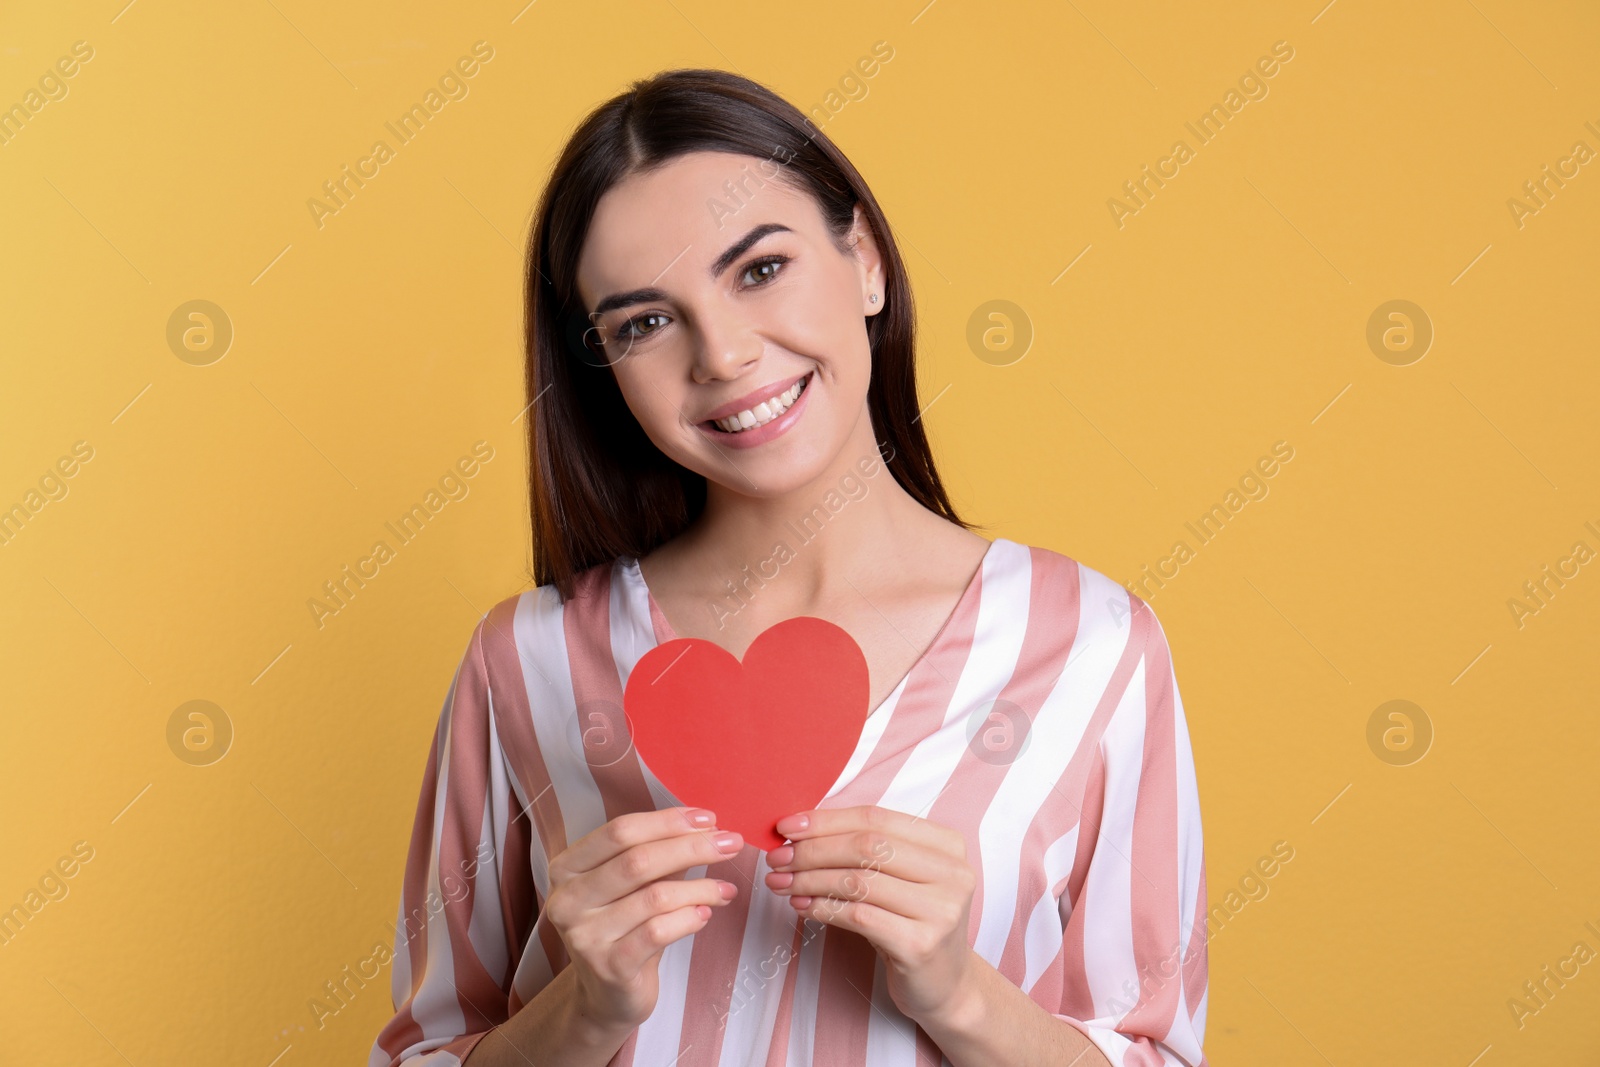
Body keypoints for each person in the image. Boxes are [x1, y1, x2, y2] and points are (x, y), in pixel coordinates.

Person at [369, 68, 1208, 1067]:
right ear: (602, 367)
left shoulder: (1090, 645)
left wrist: (961, 993)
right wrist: (585, 1009)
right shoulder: (527, 660)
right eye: (643, 322)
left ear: (863, 260)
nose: (720, 354)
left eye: (759, 268)